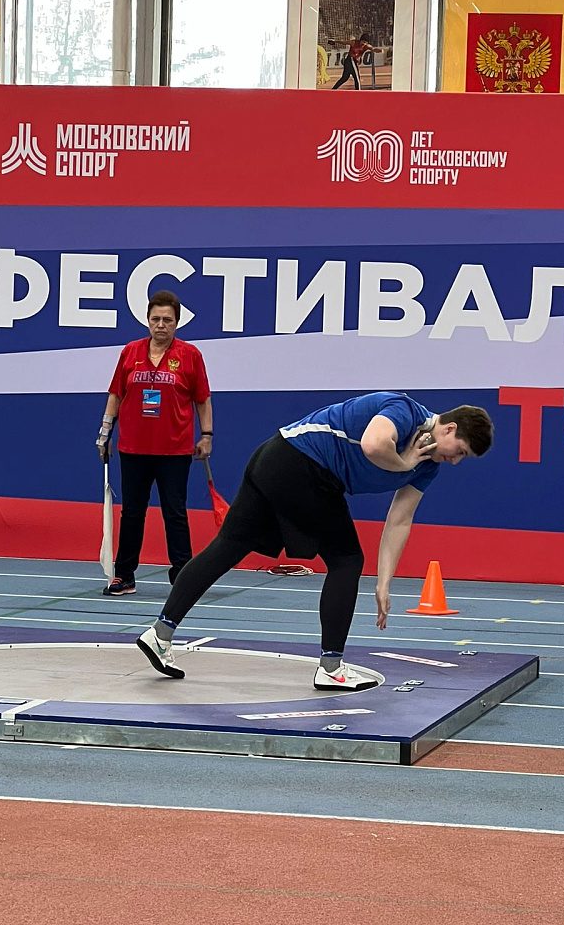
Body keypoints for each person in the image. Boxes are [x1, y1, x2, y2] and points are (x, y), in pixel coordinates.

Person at [136, 392, 493, 689]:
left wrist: (385, 582)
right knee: (346, 560)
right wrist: (404, 462)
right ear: (449, 428)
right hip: (299, 463)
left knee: (229, 546)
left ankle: (160, 632)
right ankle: (332, 669)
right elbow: (373, 444)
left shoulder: (428, 466)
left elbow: (400, 520)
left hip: (281, 461)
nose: (455, 461)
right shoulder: (405, 411)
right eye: (460, 450)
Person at [97, 290, 213, 596]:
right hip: (133, 448)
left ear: (177, 322)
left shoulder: (190, 355)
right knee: (132, 513)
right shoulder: (130, 352)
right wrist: (105, 432)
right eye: (156, 319)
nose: (161, 325)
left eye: (167, 320)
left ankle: (183, 577)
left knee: (175, 513)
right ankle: (124, 575)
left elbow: (202, 399)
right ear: (147, 320)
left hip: (174, 450)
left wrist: (206, 435)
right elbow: (116, 394)